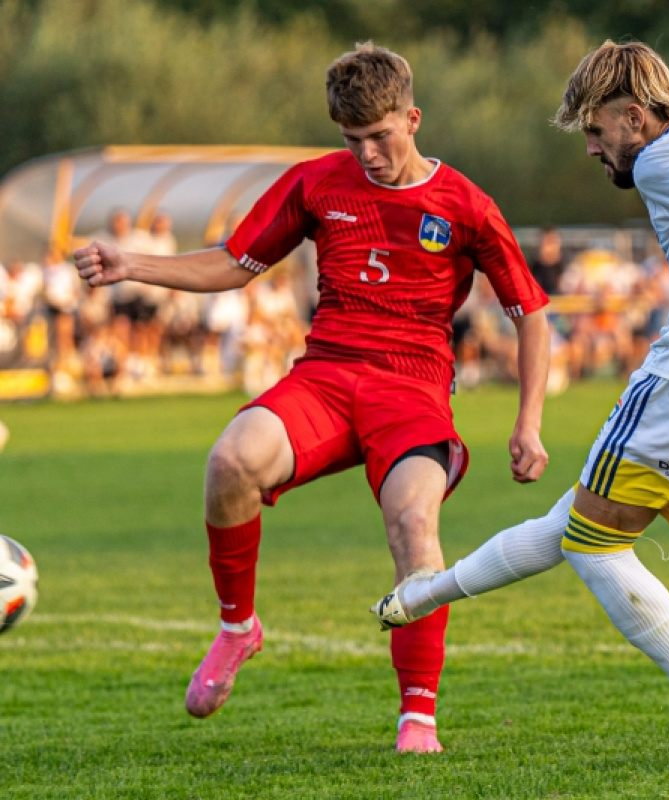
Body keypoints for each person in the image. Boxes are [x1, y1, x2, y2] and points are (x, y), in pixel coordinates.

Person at [73, 42, 551, 753]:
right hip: (325, 376)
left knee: (415, 527)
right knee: (230, 461)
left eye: (381, 137)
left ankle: (417, 716)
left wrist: (529, 422)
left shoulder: (466, 205)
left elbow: (530, 311)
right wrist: (131, 264)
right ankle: (239, 628)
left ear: (413, 118)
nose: (367, 155)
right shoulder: (316, 183)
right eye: (352, 140)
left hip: (413, 390)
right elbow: (235, 263)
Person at [371, 39, 669, 764]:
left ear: (635, 116)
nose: (594, 150)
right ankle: (424, 594)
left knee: (592, 545)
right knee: (577, 521)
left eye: (598, 132)